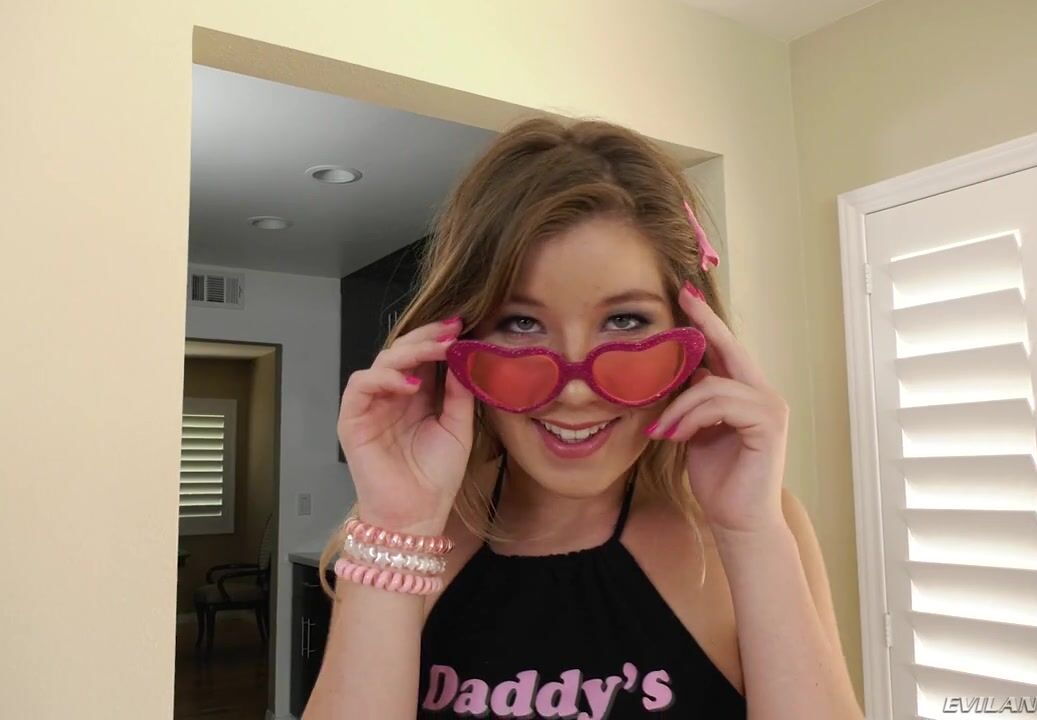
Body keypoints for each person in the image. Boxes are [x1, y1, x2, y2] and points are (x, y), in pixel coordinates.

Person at [302, 117, 863, 719]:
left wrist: (751, 534)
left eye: (625, 321)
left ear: (693, 335)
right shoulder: (404, 539)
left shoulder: (759, 524)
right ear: (461, 341)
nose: (573, 391)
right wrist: (400, 524)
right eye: (521, 323)